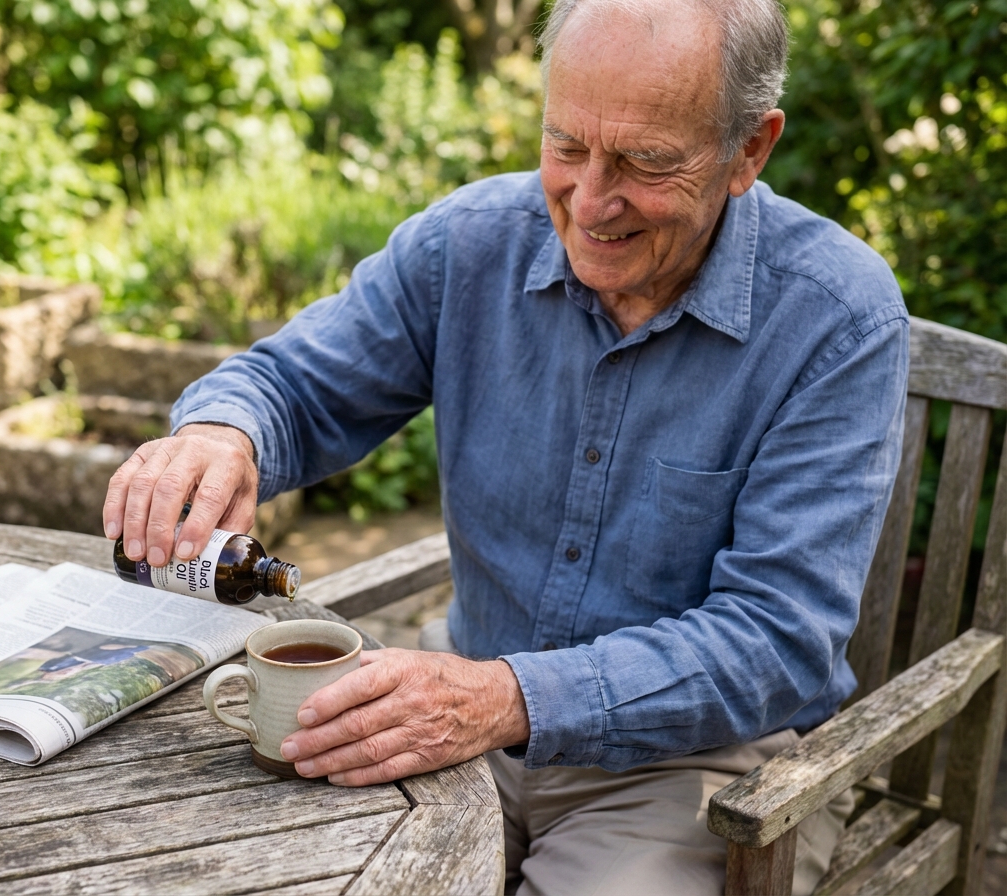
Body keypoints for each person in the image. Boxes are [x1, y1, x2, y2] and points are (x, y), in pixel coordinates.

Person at [103, 0, 909, 892]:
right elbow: (291, 383)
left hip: (691, 767)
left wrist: (507, 700)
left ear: (748, 150)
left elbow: (778, 639)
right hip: (455, 724)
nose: (592, 201)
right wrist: (226, 432)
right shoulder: (469, 243)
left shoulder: (837, 317)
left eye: (645, 162)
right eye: (566, 145)